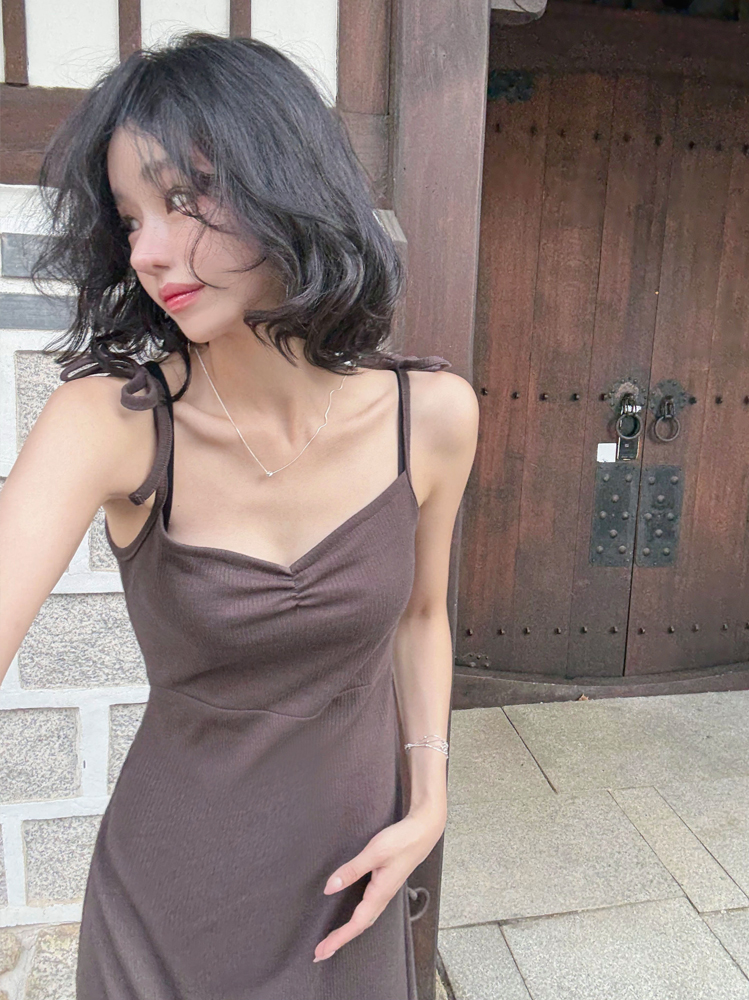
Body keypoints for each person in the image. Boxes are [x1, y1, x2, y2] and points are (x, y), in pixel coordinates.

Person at [0, 31, 479, 1000]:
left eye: (185, 199)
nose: (148, 252)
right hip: (166, 911)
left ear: (285, 181)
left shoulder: (429, 418)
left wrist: (428, 798)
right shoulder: (112, 421)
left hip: (348, 898)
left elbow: (422, 616)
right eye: (129, 218)